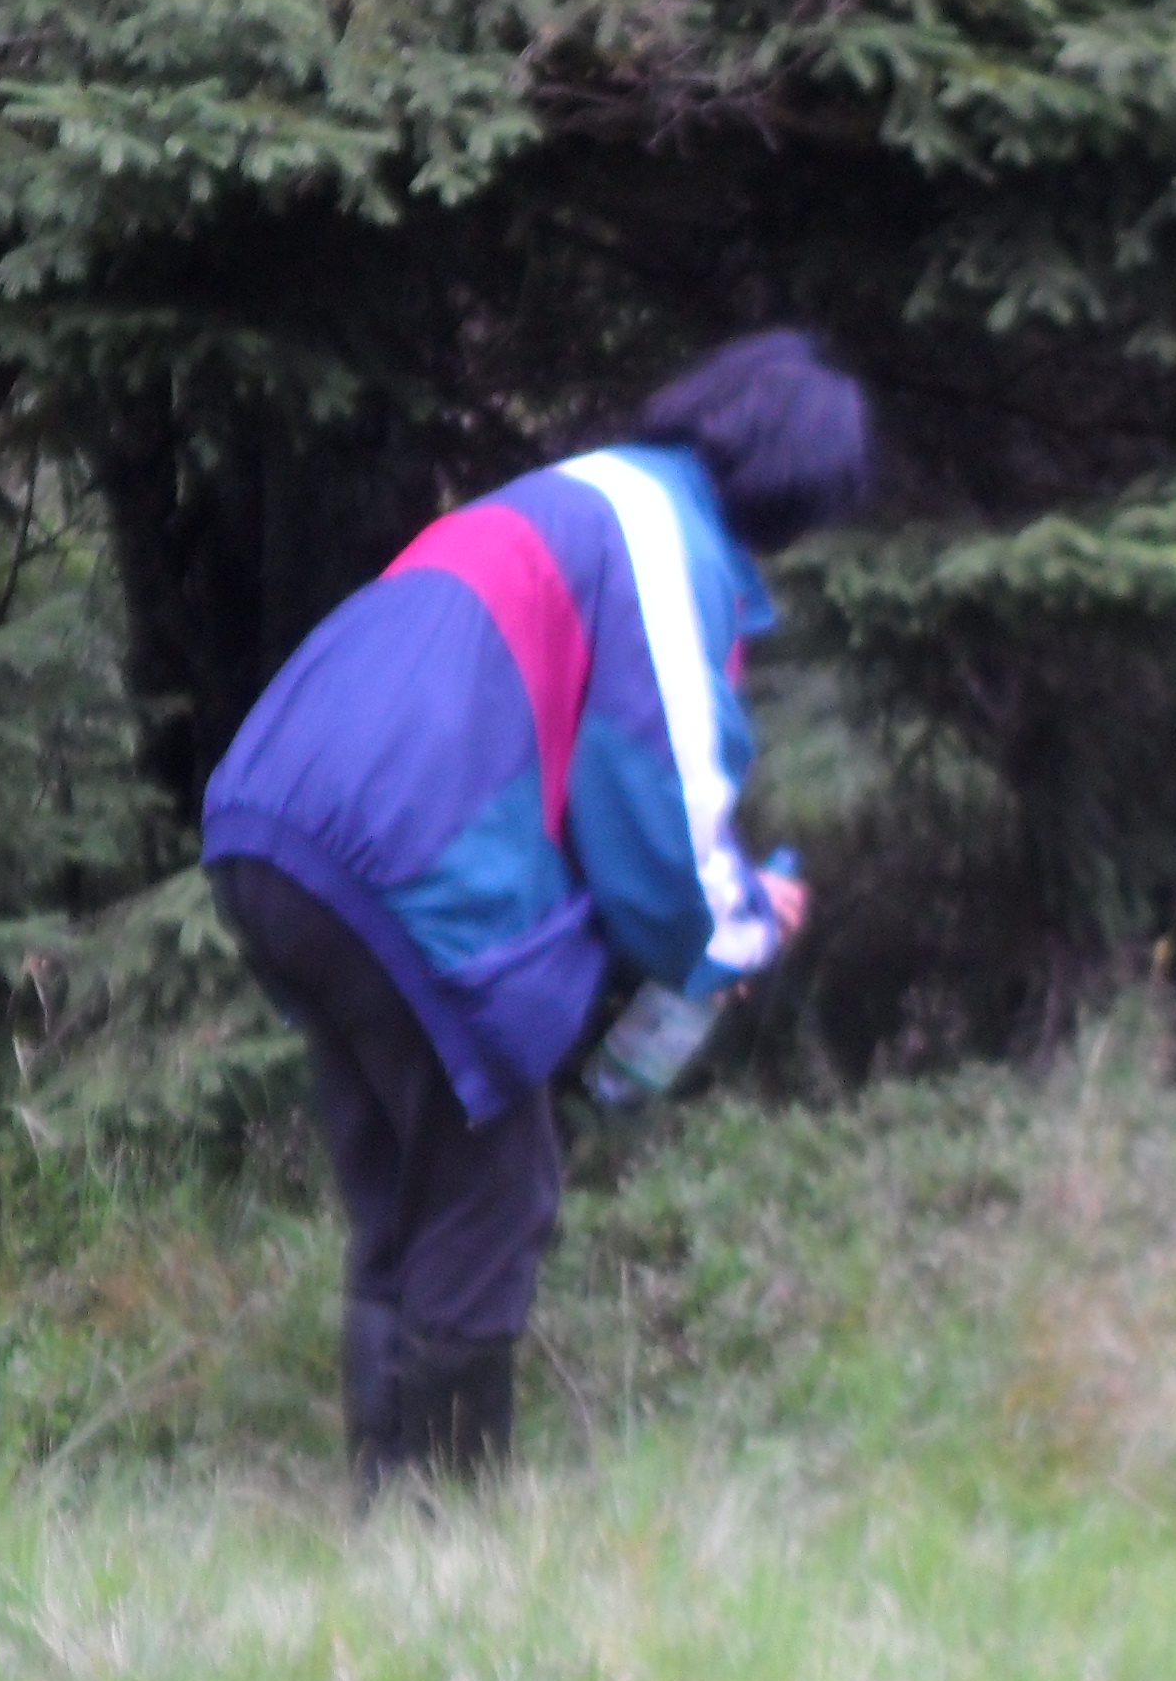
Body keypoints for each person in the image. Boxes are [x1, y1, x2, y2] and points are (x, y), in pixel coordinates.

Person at [200, 330, 872, 1491]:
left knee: (405, 1200)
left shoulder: (574, 496)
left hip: (270, 830)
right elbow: (656, 796)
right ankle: (449, 1537)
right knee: (493, 1197)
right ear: (801, 491)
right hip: (404, 861)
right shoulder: (659, 535)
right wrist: (741, 925)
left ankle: (393, 1518)